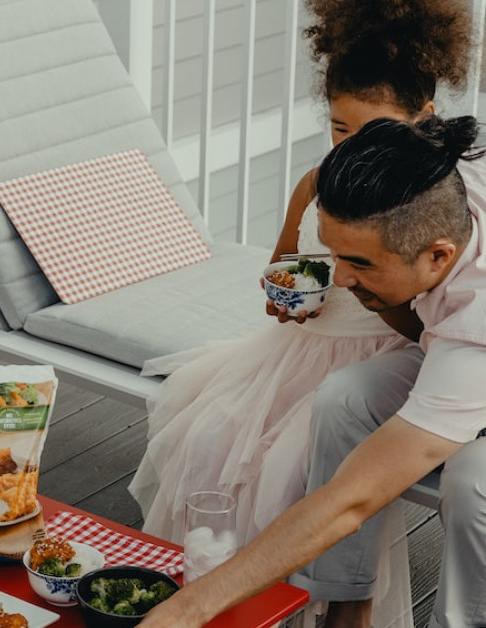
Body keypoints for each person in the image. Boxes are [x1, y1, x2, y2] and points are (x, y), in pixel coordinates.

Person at [127, 4, 472, 623]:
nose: (339, 277)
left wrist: (189, 610)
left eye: (360, 266)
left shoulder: (469, 322)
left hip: (454, 349)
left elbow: (352, 496)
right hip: (396, 348)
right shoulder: (421, 179)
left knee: (468, 490)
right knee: (332, 400)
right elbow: (295, 258)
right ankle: (341, 607)